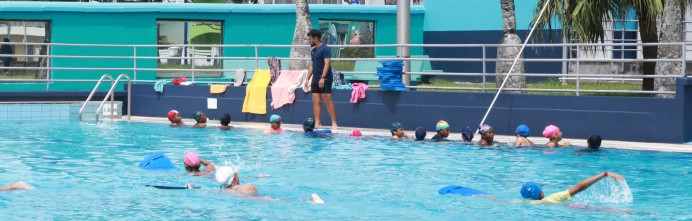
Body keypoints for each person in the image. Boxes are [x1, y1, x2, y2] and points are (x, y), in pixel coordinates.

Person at [213, 166, 325, 203]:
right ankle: (310, 202)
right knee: (274, 199)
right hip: (265, 201)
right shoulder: (247, 187)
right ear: (235, 177)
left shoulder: (222, 192)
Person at [305, 29, 338, 131]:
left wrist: (323, 78)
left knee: (327, 100)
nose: (309, 41)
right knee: (315, 101)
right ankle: (318, 123)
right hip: (315, 79)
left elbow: (327, 63)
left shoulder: (325, 48)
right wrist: (307, 79)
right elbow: (312, 66)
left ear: (316, 38)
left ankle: (334, 123)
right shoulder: (313, 51)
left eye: (310, 39)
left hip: (325, 79)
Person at [520, 171, 625, 204]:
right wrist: (604, 174)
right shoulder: (553, 198)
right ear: (541, 193)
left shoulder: (526, 203)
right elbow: (580, 187)